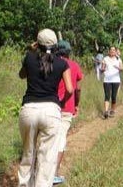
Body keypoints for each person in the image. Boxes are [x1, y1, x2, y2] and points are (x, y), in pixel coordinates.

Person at [18, 29, 74, 187]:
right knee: (47, 158)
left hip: (29, 110)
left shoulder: (29, 58)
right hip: (51, 111)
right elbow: (70, 89)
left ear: (38, 42)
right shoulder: (62, 63)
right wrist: (61, 103)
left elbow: (22, 75)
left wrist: (31, 51)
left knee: (28, 154)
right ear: (55, 44)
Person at [53, 40, 83, 185]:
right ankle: (53, 174)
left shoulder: (50, 63)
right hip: (66, 108)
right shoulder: (74, 66)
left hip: (50, 106)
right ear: (69, 52)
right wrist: (76, 104)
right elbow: (76, 89)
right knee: (60, 141)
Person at [101, 46, 123, 119]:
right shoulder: (105, 59)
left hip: (116, 80)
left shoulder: (118, 59)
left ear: (116, 52)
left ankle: (113, 110)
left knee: (114, 96)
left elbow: (122, 68)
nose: (112, 51)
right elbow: (102, 68)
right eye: (111, 50)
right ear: (109, 51)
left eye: (114, 50)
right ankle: (106, 111)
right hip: (107, 80)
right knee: (107, 96)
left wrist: (118, 68)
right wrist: (102, 69)